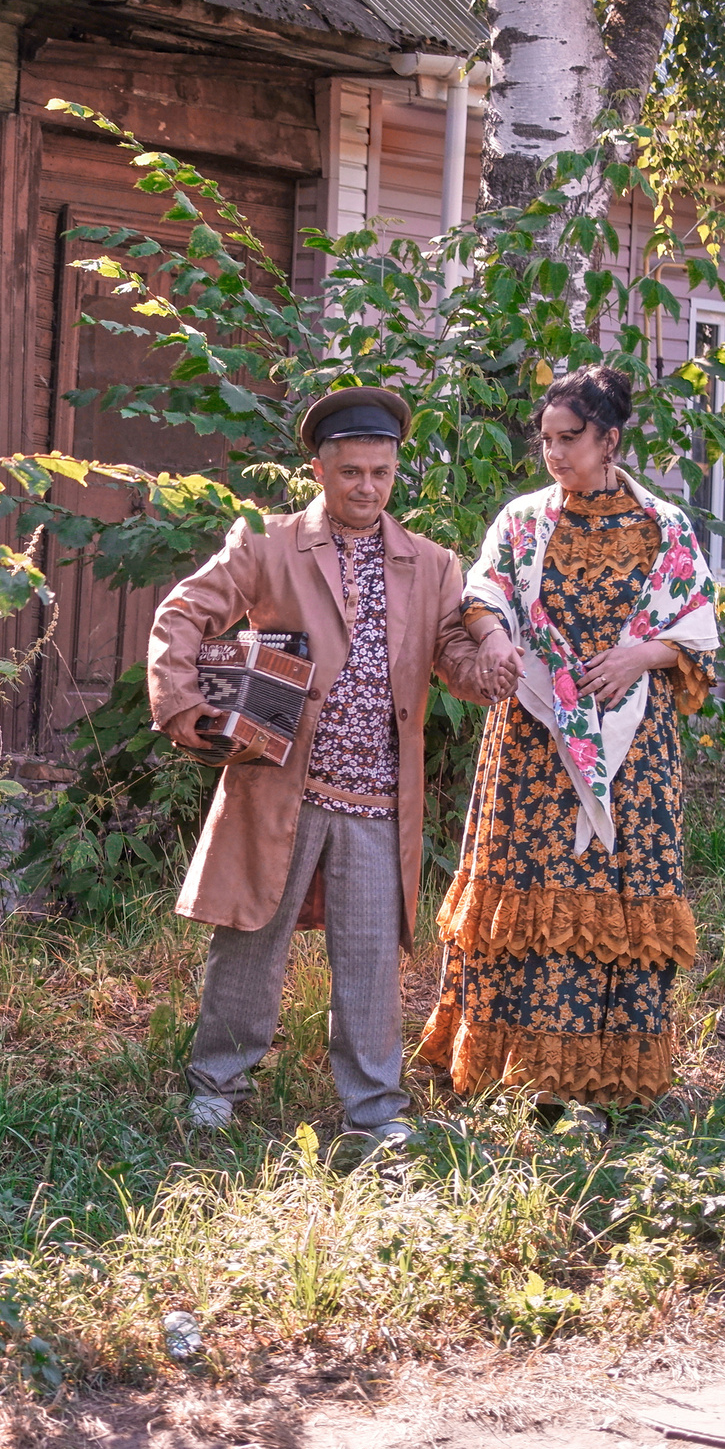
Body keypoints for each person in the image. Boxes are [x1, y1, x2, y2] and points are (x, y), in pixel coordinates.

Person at [149, 386, 510, 1157]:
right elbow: (182, 613)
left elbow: (450, 653)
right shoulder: (269, 544)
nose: (367, 487)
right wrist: (183, 706)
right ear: (318, 469)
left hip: (380, 797)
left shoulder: (432, 563)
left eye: (381, 471)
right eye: (351, 471)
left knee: (374, 955)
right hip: (281, 785)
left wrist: (488, 671)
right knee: (249, 935)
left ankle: (375, 1109)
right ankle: (217, 1085)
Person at [417, 366, 718, 1126]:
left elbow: (698, 627)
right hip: (534, 735)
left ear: (610, 439)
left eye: (570, 438)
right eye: (546, 438)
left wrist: (637, 657)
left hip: (633, 745)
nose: (553, 452)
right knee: (529, 895)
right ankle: (516, 1074)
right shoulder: (523, 521)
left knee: (610, 897)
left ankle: (605, 1084)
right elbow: (483, 595)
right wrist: (494, 645)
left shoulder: (664, 526)